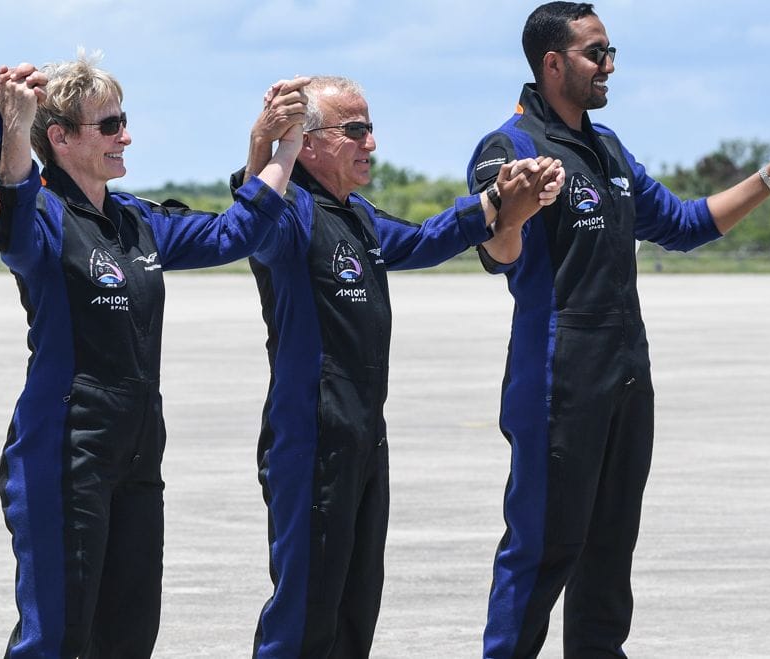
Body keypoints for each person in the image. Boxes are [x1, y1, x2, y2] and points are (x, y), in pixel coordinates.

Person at [464, 3, 770, 656]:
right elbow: (499, 252)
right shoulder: (509, 150)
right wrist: (510, 211)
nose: (609, 66)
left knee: (607, 561)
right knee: (544, 550)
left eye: (611, 52)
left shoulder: (607, 149)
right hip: (558, 382)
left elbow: (686, 224)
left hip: (626, 377)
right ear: (553, 63)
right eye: (596, 53)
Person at [0, 55, 304, 658]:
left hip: (137, 452)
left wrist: (280, 151)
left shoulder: (136, 219)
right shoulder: (43, 220)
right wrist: (13, 122)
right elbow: (14, 191)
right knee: (57, 636)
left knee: (130, 634)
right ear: (60, 138)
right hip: (66, 451)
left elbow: (233, 233)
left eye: (123, 120)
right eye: (108, 125)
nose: (125, 136)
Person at [239, 75, 565, 658]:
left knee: (356, 606)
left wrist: (498, 200)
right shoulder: (290, 217)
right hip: (311, 436)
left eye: (371, 128)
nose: (371, 143)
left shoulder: (358, 217)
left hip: (366, 436)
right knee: (305, 611)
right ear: (308, 143)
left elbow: (423, 239)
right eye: (355, 130)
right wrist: (262, 147)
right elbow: (254, 216)